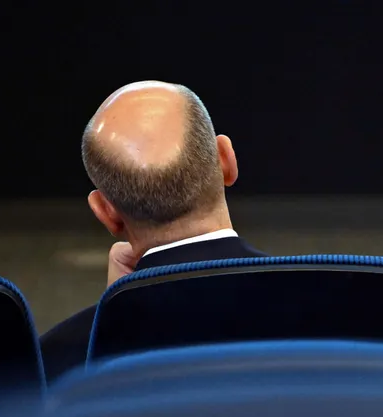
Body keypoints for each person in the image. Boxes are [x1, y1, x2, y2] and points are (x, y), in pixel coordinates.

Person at [40, 81, 266, 381]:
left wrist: (118, 315)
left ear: (106, 213)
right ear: (226, 160)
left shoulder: (55, 362)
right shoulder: (330, 309)